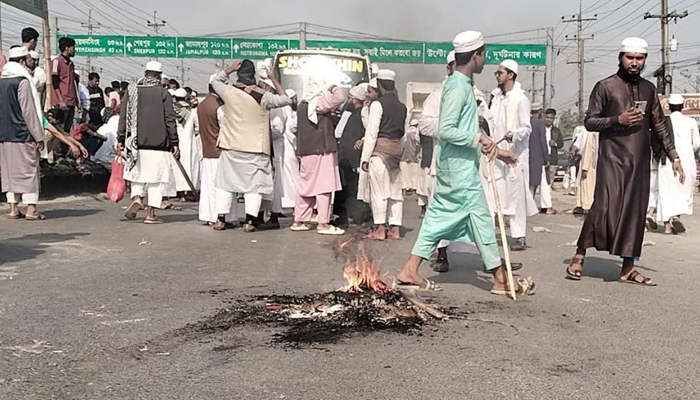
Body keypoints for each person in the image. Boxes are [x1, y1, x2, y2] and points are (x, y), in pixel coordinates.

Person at [396, 31, 533, 295]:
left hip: (458, 166)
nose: (486, 61)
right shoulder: (458, 87)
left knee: (447, 219)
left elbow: (465, 128)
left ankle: (410, 270)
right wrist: (476, 140)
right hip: (458, 170)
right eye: (484, 54)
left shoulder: (462, 85)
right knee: (479, 219)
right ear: (475, 55)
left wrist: (488, 145)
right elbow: (446, 130)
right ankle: (501, 280)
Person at [566, 37, 683, 286]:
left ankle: (628, 267)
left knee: (635, 212)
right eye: (630, 57)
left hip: (639, 161)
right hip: (612, 158)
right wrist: (618, 120)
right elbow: (590, 122)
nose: (634, 63)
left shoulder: (649, 89)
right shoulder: (605, 86)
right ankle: (579, 254)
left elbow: (659, 124)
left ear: (644, 60)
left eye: (639, 58)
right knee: (603, 206)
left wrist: (674, 156)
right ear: (621, 57)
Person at [210, 59, 292, 232]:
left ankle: (220, 220)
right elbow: (286, 99)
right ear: (253, 75)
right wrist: (273, 78)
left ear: (239, 74)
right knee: (253, 186)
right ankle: (249, 222)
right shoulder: (263, 96)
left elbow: (215, 81)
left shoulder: (228, 91)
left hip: (231, 146)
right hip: (255, 148)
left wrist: (230, 69)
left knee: (225, 184)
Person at [117, 61, 179, 225]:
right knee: (156, 180)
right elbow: (169, 119)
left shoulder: (131, 91)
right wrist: (174, 142)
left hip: (134, 143)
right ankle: (150, 214)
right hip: (158, 145)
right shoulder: (163, 93)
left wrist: (120, 138)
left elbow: (123, 116)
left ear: (145, 73)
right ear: (158, 76)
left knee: (137, 175)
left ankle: (137, 197)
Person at [488, 59, 537, 251]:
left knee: (516, 197)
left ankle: (518, 235)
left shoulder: (520, 99)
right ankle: (489, 234)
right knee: (493, 193)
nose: (497, 76)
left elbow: (527, 128)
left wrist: (513, 134)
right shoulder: (496, 98)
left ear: (510, 75)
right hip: (495, 152)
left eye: (500, 73)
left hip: (514, 155)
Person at [290, 76, 345, 235]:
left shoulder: (302, 105)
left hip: (306, 151)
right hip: (322, 149)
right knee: (324, 186)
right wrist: (333, 86)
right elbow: (339, 97)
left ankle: (299, 219)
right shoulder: (319, 103)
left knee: (305, 186)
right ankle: (323, 223)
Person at [416, 51, 456, 270]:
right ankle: (441, 254)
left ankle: (493, 262)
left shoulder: (473, 94)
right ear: (448, 69)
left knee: (476, 211)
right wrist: (450, 127)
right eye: (454, 66)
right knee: (439, 210)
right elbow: (425, 125)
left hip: (469, 165)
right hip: (443, 165)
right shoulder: (437, 95)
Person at [360, 69, 408, 240]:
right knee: (396, 193)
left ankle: (380, 229)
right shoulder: (402, 107)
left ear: (379, 85)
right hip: (395, 153)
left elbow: (372, 133)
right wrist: (400, 153)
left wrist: (365, 158)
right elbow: (404, 135)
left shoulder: (377, 105)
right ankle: (395, 228)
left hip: (379, 153)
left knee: (379, 192)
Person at [0, 47, 46, 220]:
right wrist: (38, 136)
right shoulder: (22, 82)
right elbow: (29, 112)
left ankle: (13, 208)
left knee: (9, 171)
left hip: (4, 136)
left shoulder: (1, 81)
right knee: (28, 170)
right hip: (22, 134)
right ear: (21, 61)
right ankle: (31, 209)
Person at [655, 94, 700, 234]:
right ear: (683, 106)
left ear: (668, 107)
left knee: (666, 191)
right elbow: (697, 143)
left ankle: (667, 226)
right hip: (686, 159)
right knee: (681, 190)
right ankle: (676, 216)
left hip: (667, 159)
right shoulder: (691, 121)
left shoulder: (664, 121)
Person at [198, 84, 235, 229]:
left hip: (207, 151)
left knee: (208, 186)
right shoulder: (219, 106)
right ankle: (220, 216)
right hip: (220, 152)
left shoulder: (201, 105)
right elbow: (226, 128)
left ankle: (209, 216)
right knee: (221, 187)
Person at [334, 85, 371, 228]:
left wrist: (362, 140)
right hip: (346, 158)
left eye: (350, 97)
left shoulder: (362, 113)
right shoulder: (352, 113)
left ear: (355, 99)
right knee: (347, 188)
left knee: (353, 188)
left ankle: (358, 216)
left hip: (353, 159)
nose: (348, 100)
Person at [171, 87, 200, 200]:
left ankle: (180, 193)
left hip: (175, 144)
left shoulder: (171, 111)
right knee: (190, 167)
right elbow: (198, 128)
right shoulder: (192, 112)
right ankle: (189, 191)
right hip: (189, 144)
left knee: (176, 168)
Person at [50, 37, 78, 132]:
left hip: (71, 102)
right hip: (62, 103)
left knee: (67, 130)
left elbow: (73, 84)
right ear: (67, 48)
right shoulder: (57, 61)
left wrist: (77, 102)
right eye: (73, 48)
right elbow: (55, 82)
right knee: (60, 129)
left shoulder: (71, 64)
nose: (74, 50)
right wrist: (60, 100)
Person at [528, 103, 550, 214]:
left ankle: (527, 203)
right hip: (537, 156)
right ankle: (530, 205)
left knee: (528, 180)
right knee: (535, 182)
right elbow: (543, 140)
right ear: (540, 111)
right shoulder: (540, 123)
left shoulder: (527, 121)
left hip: (527, 154)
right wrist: (546, 157)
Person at [574, 126, 598, 214]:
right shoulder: (586, 131)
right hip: (587, 162)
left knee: (589, 187)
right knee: (585, 186)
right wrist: (585, 167)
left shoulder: (596, 132)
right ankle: (583, 206)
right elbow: (583, 147)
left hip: (594, 164)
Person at [401, 119, 420, 196]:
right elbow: (418, 145)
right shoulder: (416, 133)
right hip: (414, 155)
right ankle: (414, 188)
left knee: (405, 173)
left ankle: (406, 187)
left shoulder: (406, 133)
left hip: (404, 156)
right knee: (414, 173)